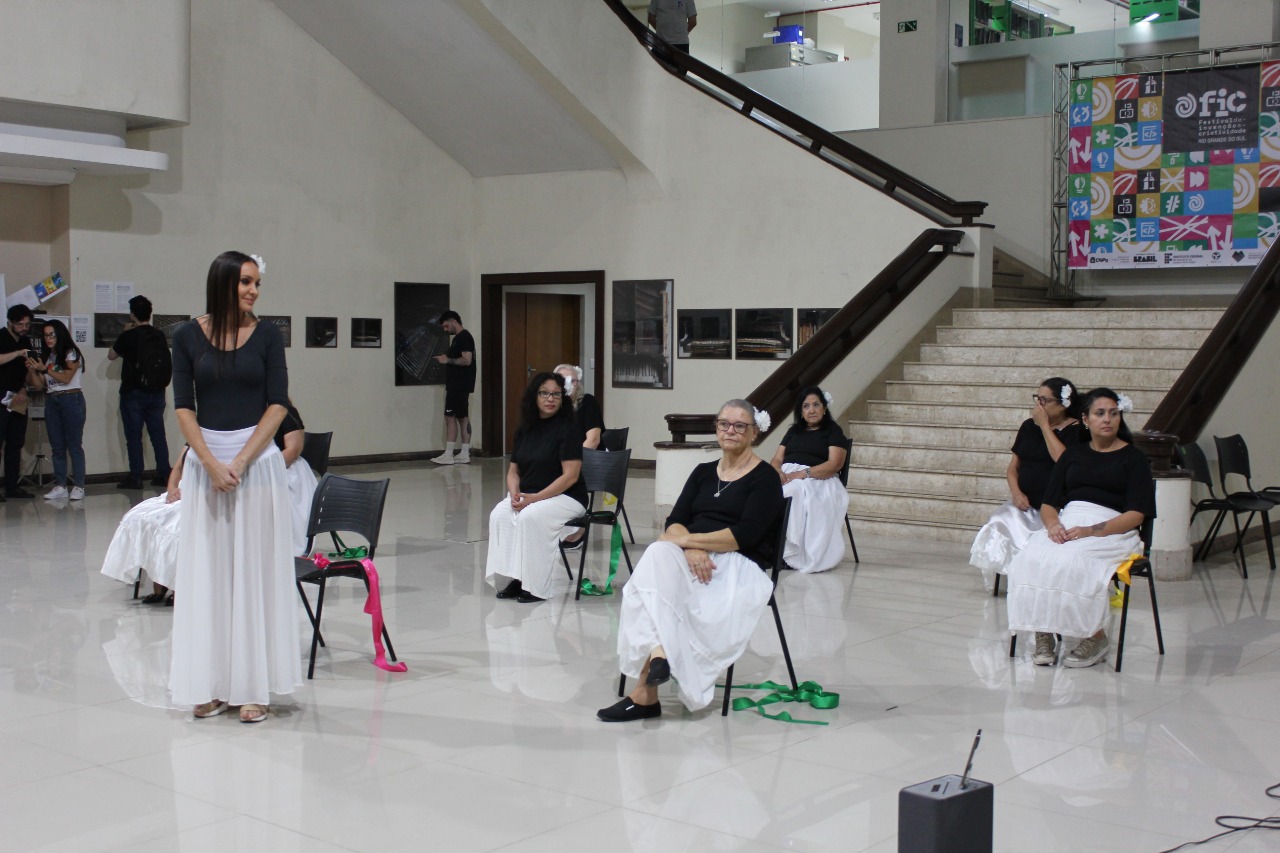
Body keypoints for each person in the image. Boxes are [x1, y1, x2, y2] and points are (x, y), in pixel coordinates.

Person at [167, 251, 299, 724]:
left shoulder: (267, 335)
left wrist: (240, 461)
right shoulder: (186, 336)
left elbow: (278, 404)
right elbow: (183, 406)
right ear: (222, 283)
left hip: (256, 464)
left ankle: (252, 687)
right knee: (210, 576)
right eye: (245, 282)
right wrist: (207, 462)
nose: (253, 291)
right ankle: (211, 684)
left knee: (254, 575)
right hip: (207, 465)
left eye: (257, 283)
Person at [599, 399, 783, 722]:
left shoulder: (765, 478)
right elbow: (675, 520)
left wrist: (687, 541)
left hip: (737, 565)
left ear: (754, 433)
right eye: (724, 424)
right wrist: (690, 548)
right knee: (656, 555)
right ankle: (659, 657)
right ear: (716, 428)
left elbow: (743, 536)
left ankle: (646, 691)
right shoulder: (702, 472)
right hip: (694, 555)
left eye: (740, 426)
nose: (730, 431)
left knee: (652, 583)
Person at [101, 401, 316, 603]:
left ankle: (179, 586)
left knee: (181, 523)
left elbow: (293, 449)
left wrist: (253, 470)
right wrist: (172, 490)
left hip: (265, 474)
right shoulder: (217, 415)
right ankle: (161, 583)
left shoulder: (282, 410)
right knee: (142, 515)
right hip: (207, 480)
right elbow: (181, 463)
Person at [1005, 388, 1155, 669]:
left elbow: (1136, 515)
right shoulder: (1073, 455)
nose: (1107, 419)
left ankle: (1095, 636)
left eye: (1113, 413)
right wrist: (1052, 526)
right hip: (1069, 522)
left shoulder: (1133, 458)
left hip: (1113, 529)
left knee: (1074, 560)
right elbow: (1049, 503)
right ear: (1085, 419)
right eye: (1100, 413)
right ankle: (1043, 631)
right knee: (1031, 556)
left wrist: (1092, 530)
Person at [970, 378, 1083, 591]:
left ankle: (1040, 581)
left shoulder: (1077, 431)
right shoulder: (1028, 427)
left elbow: (1064, 462)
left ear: (1062, 405)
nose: (1038, 405)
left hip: (1057, 506)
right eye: (1037, 398)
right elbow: (1013, 468)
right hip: (1026, 502)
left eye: (1044, 400)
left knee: (1047, 536)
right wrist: (1016, 493)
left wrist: (1045, 427)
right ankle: (1013, 577)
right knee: (999, 521)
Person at [485, 372, 587, 603]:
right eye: (544, 393)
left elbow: (570, 476)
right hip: (530, 494)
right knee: (500, 514)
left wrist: (535, 498)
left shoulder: (568, 429)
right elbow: (514, 470)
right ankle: (515, 578)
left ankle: (535, 586)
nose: (550, 399)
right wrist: (514, 494)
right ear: (534, 396)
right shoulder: (525, 428)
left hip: (567, 497)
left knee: (530, 516)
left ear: (562, 399)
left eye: (556, 394)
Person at [768, 386, 848, 573]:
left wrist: (802, 474)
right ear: (801, 412)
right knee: (761, 490)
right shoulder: (793, 431)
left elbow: (834, 464)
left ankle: (787, 551)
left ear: (824, 408)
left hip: (818, 477)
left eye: (816, 405)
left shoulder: (833, 431)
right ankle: (764, 546)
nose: (811, 410)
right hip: (787, 474)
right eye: (806, 406)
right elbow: (777, 458)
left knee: (789, 491)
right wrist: (777, 471)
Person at [109, 295, 172, 489]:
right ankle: (165, 474)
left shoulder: (128, 336)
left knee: (134, 436)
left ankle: (136, 477)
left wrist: (124, 332)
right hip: (157, 391)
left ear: (132, 314)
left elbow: (111, 355)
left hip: (133, 392)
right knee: (158, 434)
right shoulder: (159, 335)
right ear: (149, 314)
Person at [26, 320, 87, 501]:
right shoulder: (48, 356)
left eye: (52, 335)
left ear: (60, 334)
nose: (48, 339)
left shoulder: (71, 352)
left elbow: (67, 377)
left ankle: (79, 486)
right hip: (52, 400)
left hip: (71, 398)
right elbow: (39, 386)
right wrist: (33, 370)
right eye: (45, 335)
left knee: (74, 445)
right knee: (57, 446)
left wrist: (45, 369)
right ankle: (61, 485)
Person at [554, 363, 603, 550]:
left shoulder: (587, 402)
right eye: (563, 380)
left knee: (562, 474)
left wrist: (569, 460)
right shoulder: (551, 405)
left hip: (586, 459)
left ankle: (577, 529)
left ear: (578, 383)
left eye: (572, 381)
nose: (568, 385)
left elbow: (593, 440)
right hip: (559, 461)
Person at [0, 304, 37, 500]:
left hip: (18, 396)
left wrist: (24, 388)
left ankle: (12, 486)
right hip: (1, 395)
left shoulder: (26, 341)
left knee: (15, 442)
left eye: (27, 324)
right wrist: (18, 353)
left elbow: (28, 371)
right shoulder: (1, 337)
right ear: (10, 323)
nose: (24, 328)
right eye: (20, 324)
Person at [431, 310, 475, 465]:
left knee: (450, 417)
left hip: (458, 384)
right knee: (462, 417)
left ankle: (449, 454)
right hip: (460, 384)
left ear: (454, 321)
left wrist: (447, 360)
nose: (445, 330)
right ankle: (464, 453)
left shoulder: (464, 337)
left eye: (446, 326)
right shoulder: (460, 338)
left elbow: (467, 360)